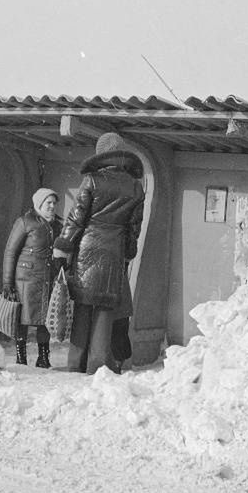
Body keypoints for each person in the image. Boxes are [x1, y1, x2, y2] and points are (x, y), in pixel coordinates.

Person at [53, 132, 144, 375]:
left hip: (87, 249)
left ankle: (76, 363)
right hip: (114, 252)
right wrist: (128, 253)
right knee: (106, 309)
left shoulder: (92, 180)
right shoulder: (136, 187)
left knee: (83, 307)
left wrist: (63, 247)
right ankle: (98, 366)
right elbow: (134, 227)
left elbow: (76, 218)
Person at [1, 188, 63, 368]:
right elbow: (10, 253)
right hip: (25, 279)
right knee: (23, 318)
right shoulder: (25, 222)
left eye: (54, 203)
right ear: (39, 204)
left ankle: (43, 357)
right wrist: (7, 282)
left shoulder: (58, 225)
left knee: (45, 318)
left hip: (48, 278)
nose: (52, 206)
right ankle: (21, 356)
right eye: (48, 203)